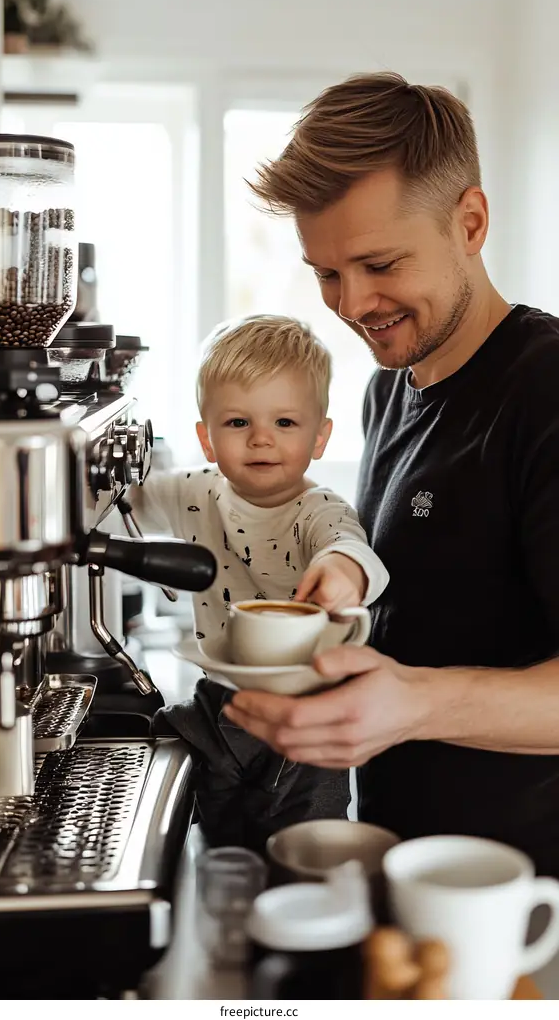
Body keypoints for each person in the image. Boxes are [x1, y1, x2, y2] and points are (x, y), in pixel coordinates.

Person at [222, 71, 559, 877]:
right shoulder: (389, 391)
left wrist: (413, 704)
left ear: (470, 222)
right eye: (326, 272)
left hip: (520, 900)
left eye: (378, 263)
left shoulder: (545, 390)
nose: (351, 302)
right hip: (403, 866)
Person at [131, 314, 388, 850]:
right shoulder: (195, 492)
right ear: (206, 437)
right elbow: (125, 501)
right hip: (219, 701)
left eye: (286, 424)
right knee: (221, 842)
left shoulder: (318, 511)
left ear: (320, 438)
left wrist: (344, 571)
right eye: (238, 423)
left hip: (306, 710)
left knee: (304, 843)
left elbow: (352, 550)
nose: (262, 440)